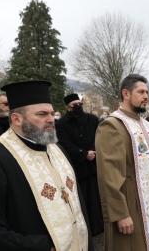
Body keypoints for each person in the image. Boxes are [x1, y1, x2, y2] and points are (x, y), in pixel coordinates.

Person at [0, 80, 92, 251]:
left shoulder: (57, 149)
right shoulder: (2, 156)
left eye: (51, 113)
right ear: (16, 119)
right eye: (42, 114)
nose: (51, 119)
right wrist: (43, 246)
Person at [95, 74, 149, 251]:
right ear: (126, 93)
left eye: (147, 92)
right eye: (140, 92)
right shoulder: (113, 126)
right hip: (130, 206)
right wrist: (120, 214)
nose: (146, 96)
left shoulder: (147, 125)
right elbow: (109, 176)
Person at [55, 93, 104, 236]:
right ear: (68, 108)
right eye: (74, 105)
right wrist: (83, 154)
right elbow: (64, 144)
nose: (78, 107)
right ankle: (86, 227)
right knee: (82, 199)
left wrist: (93, 151)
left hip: (94, 165)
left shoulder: (92, 119)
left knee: (96, 197)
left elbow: (99, 137)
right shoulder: (61, 124)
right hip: (77, 167)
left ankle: (99, 225)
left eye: (80, 104)